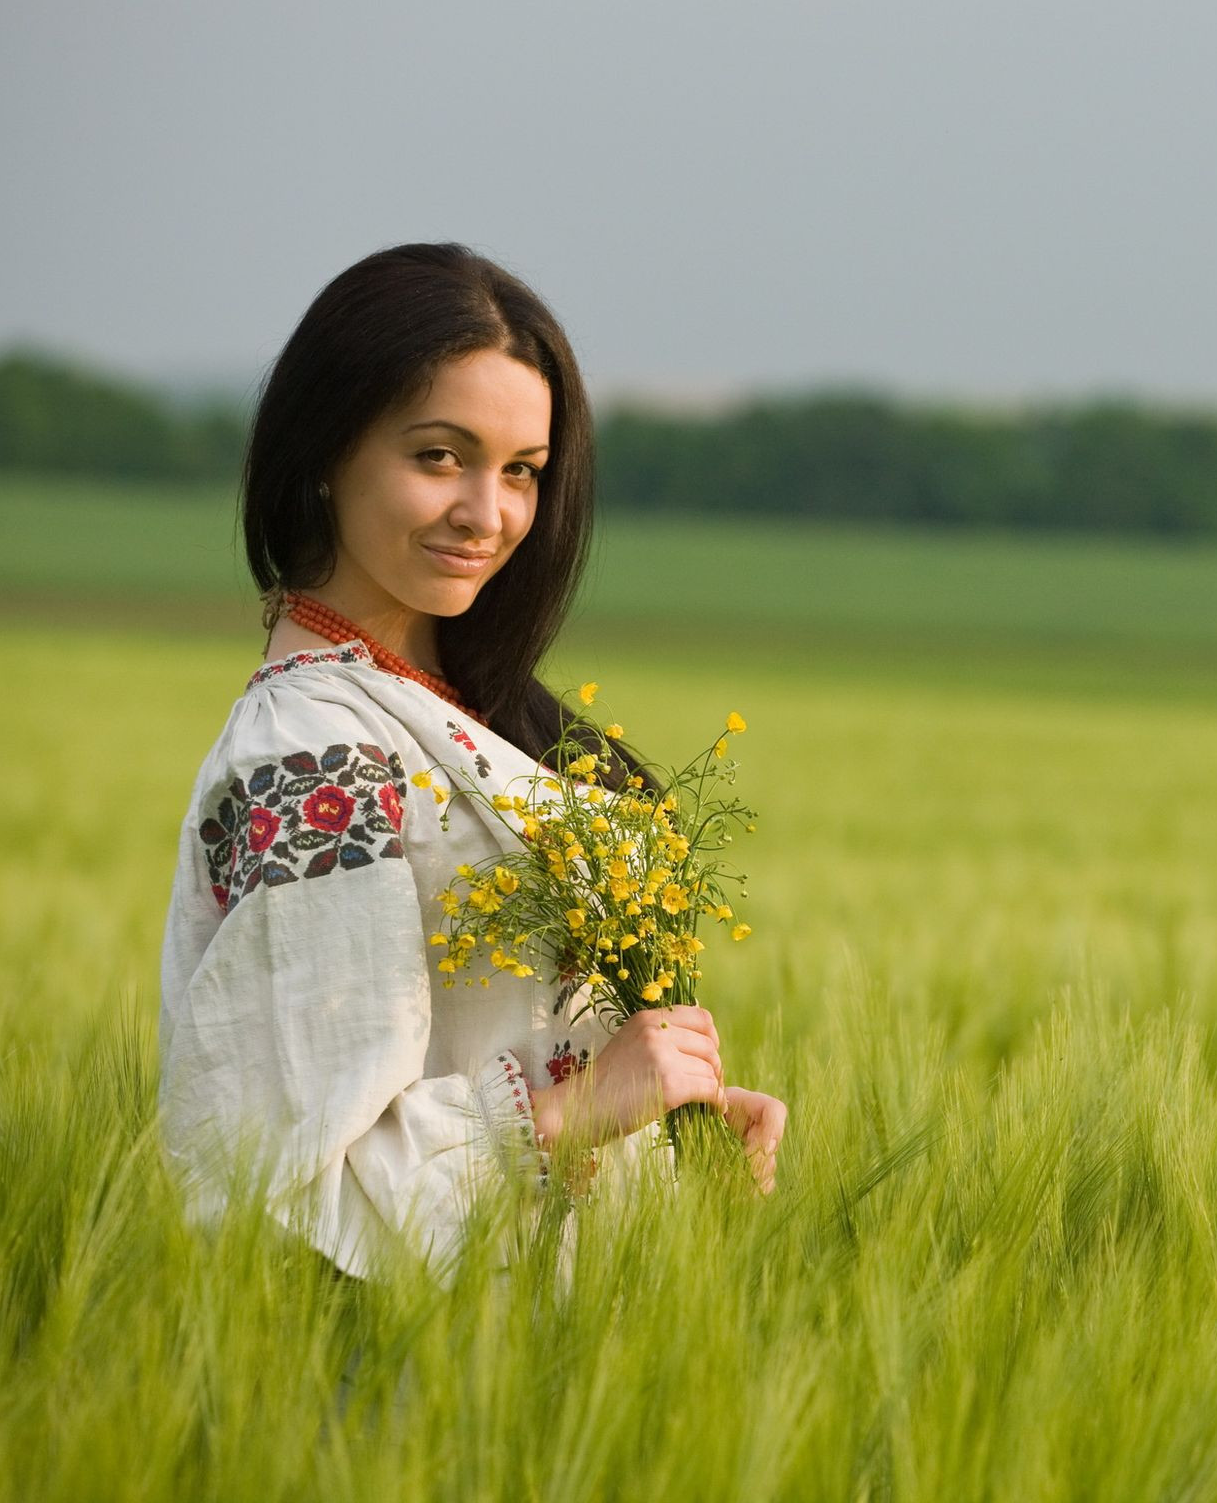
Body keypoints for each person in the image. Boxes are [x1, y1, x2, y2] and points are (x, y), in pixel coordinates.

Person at [157, 241, 787, 1281]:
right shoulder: (316, 757)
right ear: (326, 450)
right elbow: (284, 1182)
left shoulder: (470, 709)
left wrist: (677, 1127)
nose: (486, 516)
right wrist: (580, 1109)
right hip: (408, 1392)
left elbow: (513, 1028)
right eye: (438, 456)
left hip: (559, 1356)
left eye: (522, 473)